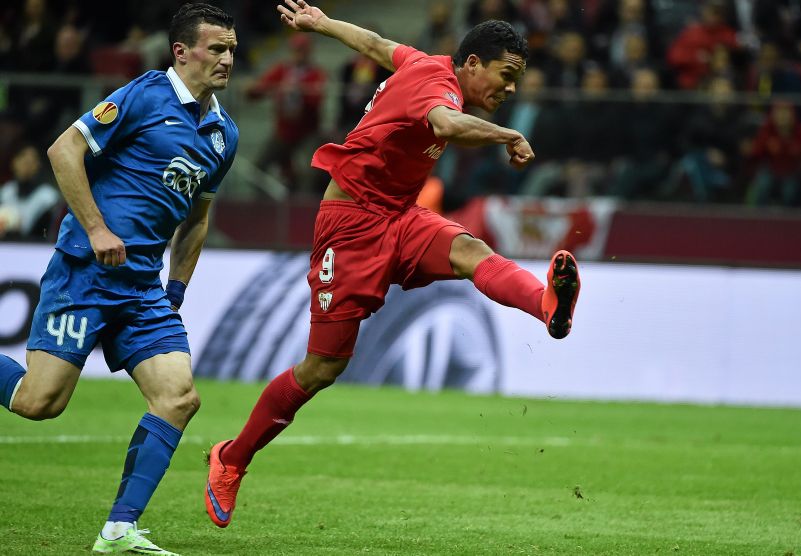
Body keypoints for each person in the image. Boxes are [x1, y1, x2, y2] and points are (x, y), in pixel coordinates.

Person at [203, 0, 581, 529]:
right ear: (472, 63)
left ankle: (549, 306)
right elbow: (446, 123)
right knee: (323, 367)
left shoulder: (422, 62)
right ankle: (232, 457)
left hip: (400, 216)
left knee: (473, 252)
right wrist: (507, 135)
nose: (512, 88)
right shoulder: (439, 87)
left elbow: (378, 46)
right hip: (350, 225)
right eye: (507, 74)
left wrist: (323, 23)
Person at [0, 4, 239, 554]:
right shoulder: (146, 94)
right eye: (216, 48)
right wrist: (97, 228)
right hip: (85, 269)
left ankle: (119, 529)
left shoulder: (224, 134)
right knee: (40, 403)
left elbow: (197, 217)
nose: (227, 58)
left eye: (232, 48)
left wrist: (175, 289)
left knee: (178, 397)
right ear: (183, 52)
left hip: (141, 289)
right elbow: (64, 150)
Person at [246, 32, 326, 194]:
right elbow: (258, 90)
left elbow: (316, 101)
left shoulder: (315, 74)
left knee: (312, 170)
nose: (298, 54)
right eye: (296, 50)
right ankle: (265, 207)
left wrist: (299, 91)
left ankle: (304, 209)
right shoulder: (282, 70)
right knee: (259, 168)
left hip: (307, 132)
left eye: (302, 50)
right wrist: (252, 89)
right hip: (284, 131)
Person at [0, 144, 61, 240]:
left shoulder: (48, 197)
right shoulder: (6, 192)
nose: (26, 164)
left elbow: (48, 234)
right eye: (23, 159)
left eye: (31, 161)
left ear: (38, 165)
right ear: (14, 163)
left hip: (35, 248)